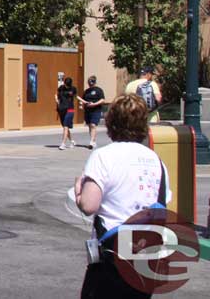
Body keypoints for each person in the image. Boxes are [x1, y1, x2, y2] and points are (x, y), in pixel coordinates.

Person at [74, 94, 172, 299]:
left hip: (112, 258)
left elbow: (89, 205)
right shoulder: (157, 161)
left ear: (111, 122)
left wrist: (78, 192)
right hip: (145, 258)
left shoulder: (104, 156)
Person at [79, 75, 107, 149]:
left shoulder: (99, 90)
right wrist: (82, 105)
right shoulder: (86, 91)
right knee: (90, 126)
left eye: (91, 81)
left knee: (93, 125)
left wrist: (94, 104)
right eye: (88, 81)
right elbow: (83, 99)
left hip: (96, 110)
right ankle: (93, 140)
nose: (90, 83)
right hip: (88, 111)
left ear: (94, 82)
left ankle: (91, 142)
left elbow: (102, 100)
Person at [56, 77, 78, 150]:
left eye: (68, 85)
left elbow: (76, 97)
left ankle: (63, 144)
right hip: (62, 110)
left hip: (70, 109)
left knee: (65, 126)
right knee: (65, 127)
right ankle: (72, 141)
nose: (67, 86)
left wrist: (83, 102)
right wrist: (57, 101)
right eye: (66, 85)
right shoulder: (61, 88)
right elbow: (57, 96)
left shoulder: (73, 89)